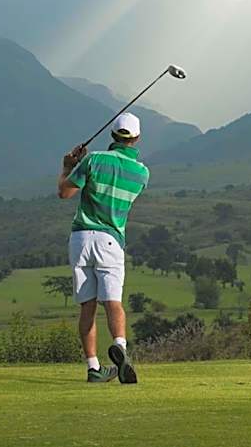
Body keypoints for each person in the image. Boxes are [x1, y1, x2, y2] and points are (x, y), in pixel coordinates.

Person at [58, 112, 149, 383]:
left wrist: (67, 166)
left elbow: (65, 192)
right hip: (110, 240)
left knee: (87, 307)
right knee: (113, 303)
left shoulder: (94, 159)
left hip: (81, 238)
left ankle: (93, 368)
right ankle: (120, 347)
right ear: (137, 138)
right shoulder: (142, 173)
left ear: (113, 135)